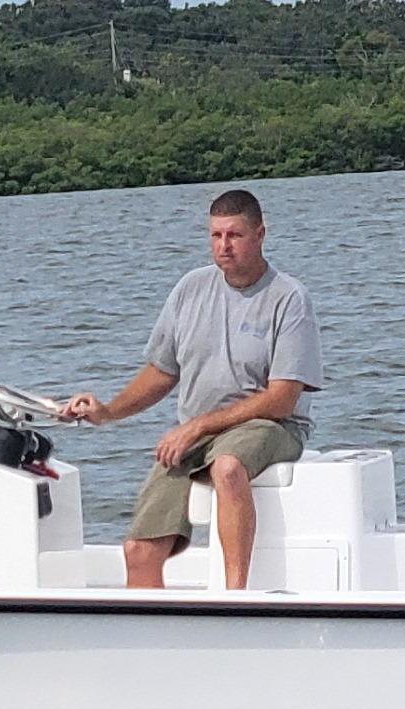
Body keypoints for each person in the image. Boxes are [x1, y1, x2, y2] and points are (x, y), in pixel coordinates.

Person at [57, 188, 324, 590]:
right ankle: (149, 628)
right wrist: (107, 411)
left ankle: (235, 599)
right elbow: (162, 372)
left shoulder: (289, 299)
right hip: (196, 435)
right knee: (137, 551)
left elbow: (281, 399)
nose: (224, 246)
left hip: (270, 426)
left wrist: (197, 426)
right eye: (216, 235)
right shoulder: (190, 289)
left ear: (260, 235)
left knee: (228, 467)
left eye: (234, 235)